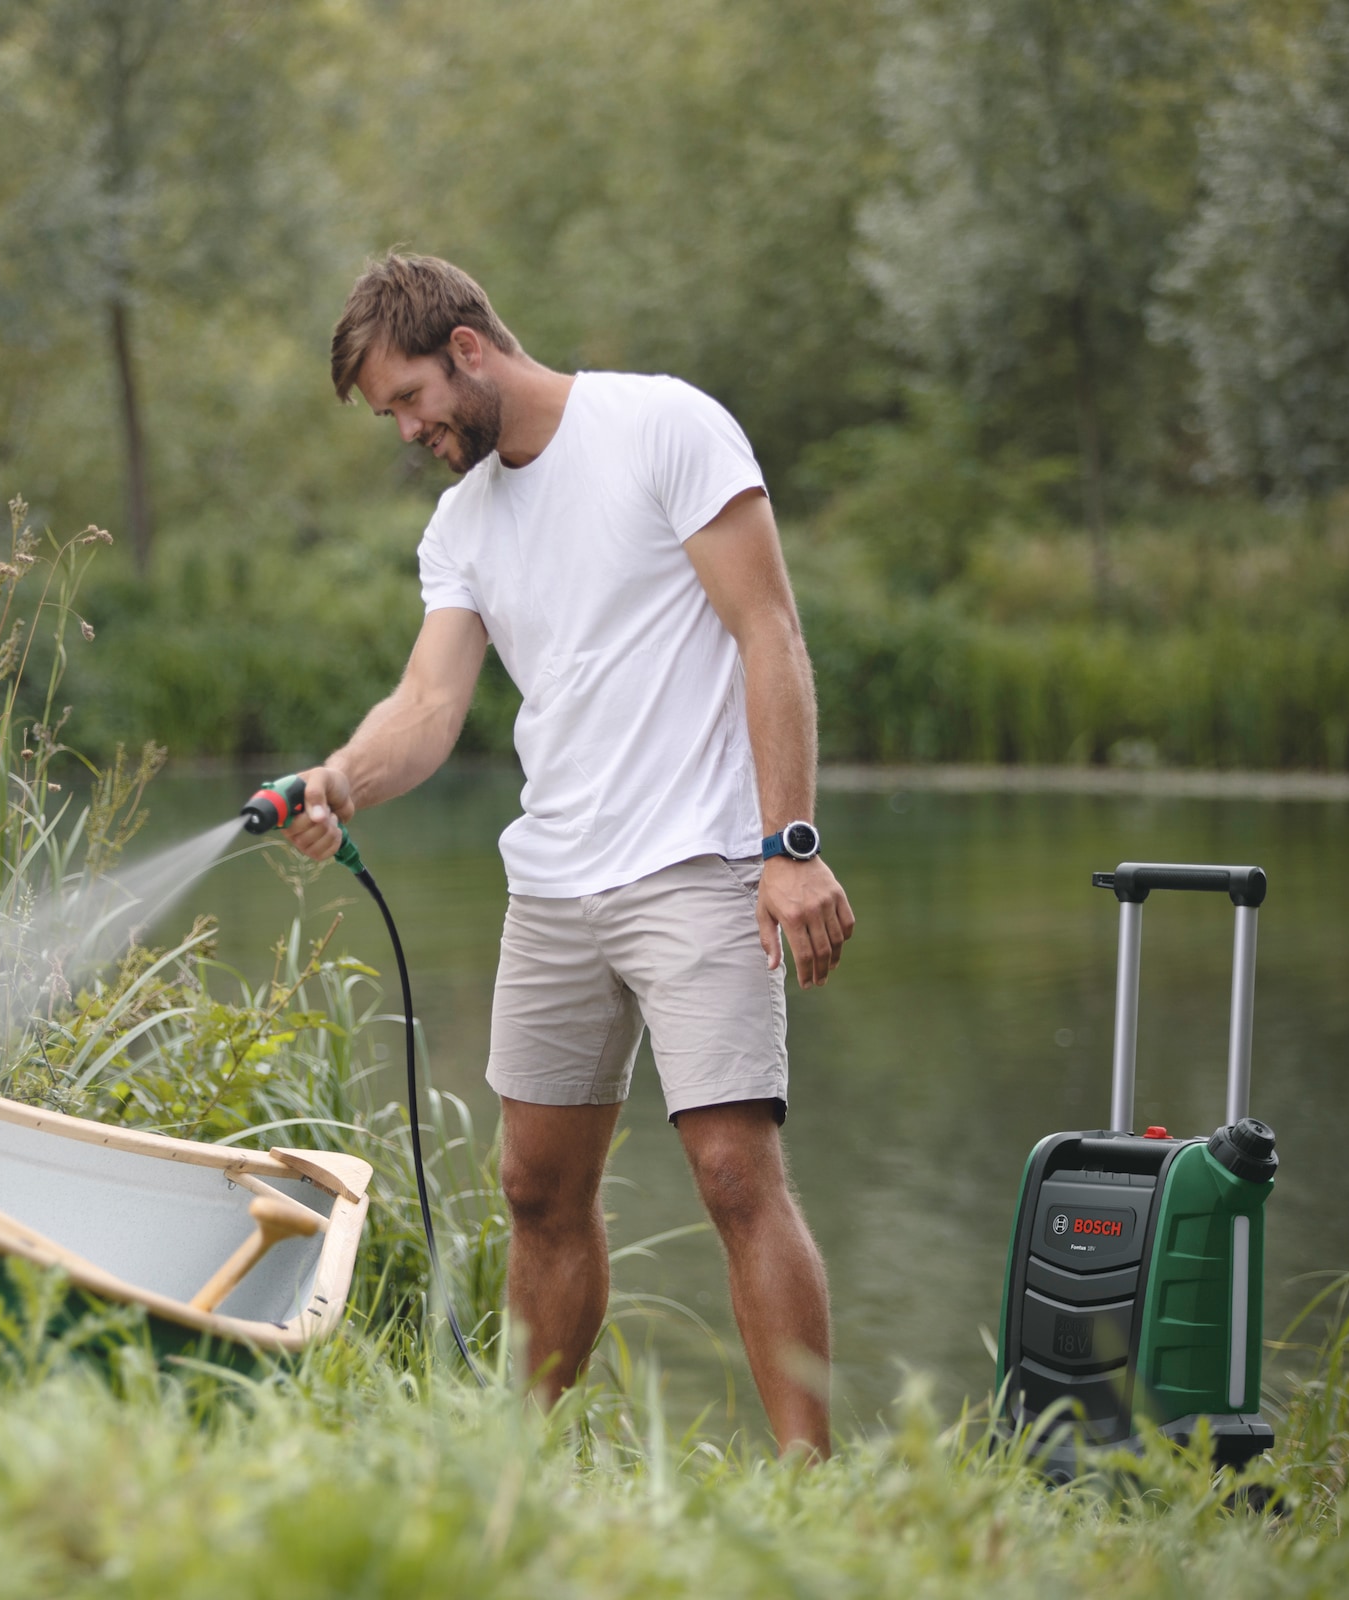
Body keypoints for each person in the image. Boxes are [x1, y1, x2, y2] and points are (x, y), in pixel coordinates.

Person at [285, 254, 854, 1457]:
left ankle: (817, 1481)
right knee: (537, 1190)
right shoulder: (463, 524)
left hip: (701, 861)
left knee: (734, 1172)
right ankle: (522, 1467)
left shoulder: (662, 425)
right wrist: (341, 777)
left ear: (467, 347)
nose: (405, 429)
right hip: (553, 887)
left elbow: (771, 632)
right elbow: (430, 703)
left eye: (407, 398)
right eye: (389, 414)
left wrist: (789, 845)